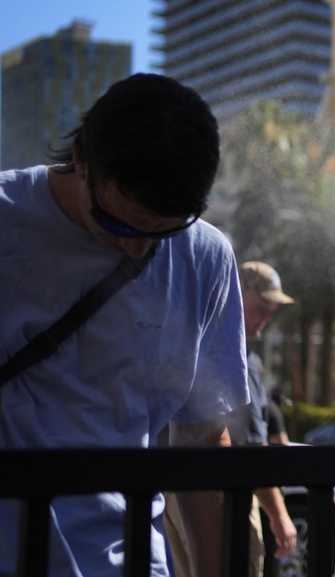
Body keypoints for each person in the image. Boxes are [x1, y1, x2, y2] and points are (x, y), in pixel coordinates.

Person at [0, 73, 248, 577]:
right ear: (82, 162)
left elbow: (203, 444)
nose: (139, 248)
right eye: (118, 224)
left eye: (164, 230)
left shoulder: (206, 257)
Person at [164, 261, 298, 577]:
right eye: (262, 305)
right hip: (223, 496)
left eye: (273, 308)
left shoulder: (204, 343)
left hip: (181, 492)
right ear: (239, 292)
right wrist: (280, 516)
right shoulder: (238, 357)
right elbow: (250, 449)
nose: (267, 316)